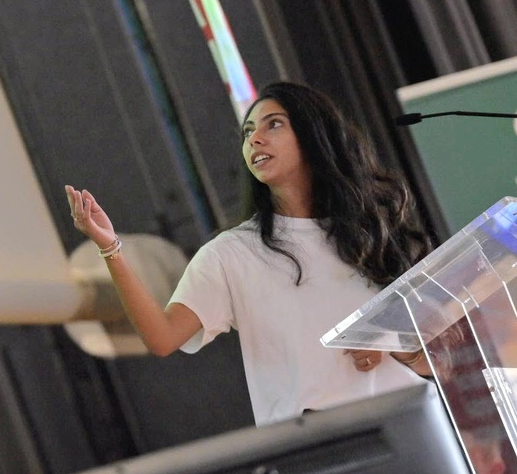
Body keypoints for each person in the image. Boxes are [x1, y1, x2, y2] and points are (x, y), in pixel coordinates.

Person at [65, 81, 434, 427]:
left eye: (273, 125)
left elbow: (445, 360)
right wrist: (110, 247)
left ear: (314, 136)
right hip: (317, 439)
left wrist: (401, 351)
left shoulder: (373, 233)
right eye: (247, 133)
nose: (255, 139)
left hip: (416, 422)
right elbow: (162, 337)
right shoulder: (230, 255)